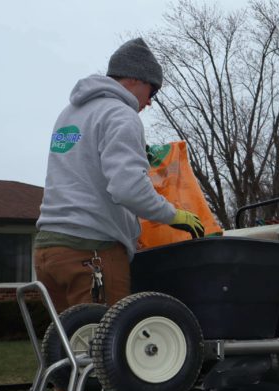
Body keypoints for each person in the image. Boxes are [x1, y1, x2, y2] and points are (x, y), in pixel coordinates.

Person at [34, 37, 204, 314]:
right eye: (153, 91)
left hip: (48, 252)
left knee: (70, 346)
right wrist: (174, 215)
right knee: (107, 348)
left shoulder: (70, 113)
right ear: (136, 79)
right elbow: (128, 189)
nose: (150, 102)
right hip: (91, 252)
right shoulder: (121, 115)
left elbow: (86, 171)